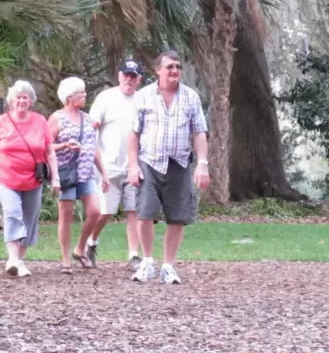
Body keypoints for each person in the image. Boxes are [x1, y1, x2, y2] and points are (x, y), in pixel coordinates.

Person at [128, 50, 210, 285]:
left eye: (178, 67)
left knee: (177, 217)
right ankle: (147, 262)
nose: (174, 71)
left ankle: (168, 266)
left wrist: (202, 164)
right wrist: (133, 166)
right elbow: (133, 134)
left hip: (179, 163)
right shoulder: (143, 96)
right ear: (158, 70)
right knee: (145, 212)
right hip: (149, 162)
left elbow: (199, 132)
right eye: (169, 67)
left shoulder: (191, 97)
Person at [0, 80, 60, 278]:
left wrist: (56, 178)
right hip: (6, 178)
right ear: (11, 100)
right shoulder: (1, 122)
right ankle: (13, 259)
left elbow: (50, 152)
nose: (22, 100)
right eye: (18, 97)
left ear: (31, 101)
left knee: (29, 220)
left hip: (33, 179)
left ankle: (19, 260)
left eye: (25, 97)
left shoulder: (40, 121)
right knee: (12, 213)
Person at [86, 59, 143, 270]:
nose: (129, 79)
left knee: (133, 211)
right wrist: (94, 162)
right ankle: (91, 243)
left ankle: (133, 255)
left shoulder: (143, 100)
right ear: (119, 76)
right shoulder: (106, 98)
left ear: (139, 79)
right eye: (126, 75)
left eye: (133, 76)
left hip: (133, 166)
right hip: (107, 166)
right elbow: (92, 129)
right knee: (105, 212)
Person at [49, 76, 110, 274]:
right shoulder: (57, 118)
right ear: (69, 97)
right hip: (66, 173)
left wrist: (104, 174)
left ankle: (80, 248)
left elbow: (94, 149)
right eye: (80, 93)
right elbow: (47, 146)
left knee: (95, 211)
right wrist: (65, 145)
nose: (84, 96)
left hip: (85, 173)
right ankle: (66, 259)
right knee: (65, 215)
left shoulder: (88, 119)